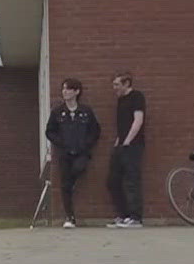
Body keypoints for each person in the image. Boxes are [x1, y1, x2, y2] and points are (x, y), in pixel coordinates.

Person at [44, 78, 102, 229]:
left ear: (76, 92)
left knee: (78, 168)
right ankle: (70, 217)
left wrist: (86, 144)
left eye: (68, 89)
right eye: (63, 89)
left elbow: (95, 131)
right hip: (65, 154)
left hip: (81, 153)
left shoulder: (85, 112)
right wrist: (61, 142)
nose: (65, 92)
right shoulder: (57, 112)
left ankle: (73, 181)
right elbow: (50, 131)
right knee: (65, 185)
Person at [108, 72, 147, 228]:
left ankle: (135, 218)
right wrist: (118, 142)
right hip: (121, 144)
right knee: (113, 180)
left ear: (127, 84)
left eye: (117, 84)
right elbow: (122, 125)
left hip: (133, 145)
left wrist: (128, 141)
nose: (114, 88)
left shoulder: (137, 97)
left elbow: (138, 120)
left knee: (132, 181)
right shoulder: (120, 100)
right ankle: (123, 215)